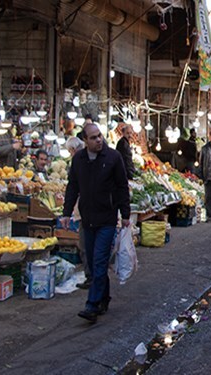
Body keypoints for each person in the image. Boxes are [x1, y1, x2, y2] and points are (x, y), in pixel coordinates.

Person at [61, 123, 130, 323]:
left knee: (99, 261)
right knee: (91, 262)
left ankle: (91, 305)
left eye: (99, 136)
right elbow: (72, 187)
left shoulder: (113, 158)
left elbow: (121, 186)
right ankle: (104, 297)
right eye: (93, 137)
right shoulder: (79, 160)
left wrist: (125, 214)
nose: (98, 140)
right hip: (87, 219)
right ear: (85, 141)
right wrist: (66, 213)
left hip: (107, 219)